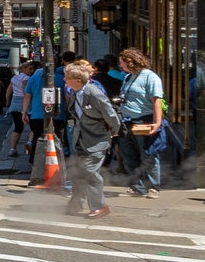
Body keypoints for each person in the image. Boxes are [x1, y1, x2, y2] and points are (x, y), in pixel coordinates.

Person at [64, 60, 118, 220]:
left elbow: (110, 113)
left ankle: (100, 206)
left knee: (90, 172)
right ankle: (75, 204)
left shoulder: (92, 92)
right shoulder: (76, 92)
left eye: (67, 77)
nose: (65, 80)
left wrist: (115, 130)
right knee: (79, 172)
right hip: (82, 138)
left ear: (78, 80)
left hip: (96, 140)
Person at [115, 50, 167, 199]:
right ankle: (137, 186)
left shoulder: (150, 77)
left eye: (122, 62)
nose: (120, 65)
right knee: (129, 155)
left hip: (144, 120)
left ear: (130, 61)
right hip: (127, 121)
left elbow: (156, 100)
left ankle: (153, 187)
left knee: (148, 155)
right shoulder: (128, 77)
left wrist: (157, 122)